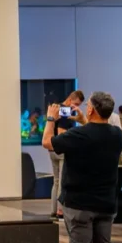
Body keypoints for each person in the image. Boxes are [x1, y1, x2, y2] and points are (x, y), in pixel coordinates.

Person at [43, 91, 122, 243]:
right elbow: (97, 134)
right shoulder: (116, 135)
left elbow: (48, 142)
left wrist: (51, 119)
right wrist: (83, 121)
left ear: (91, 109)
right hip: (105, 203)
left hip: (79, 204)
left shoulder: (79, 134)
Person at [48, 90, 85, 221]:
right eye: (75, 104)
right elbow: (62, 132)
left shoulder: (56, 108)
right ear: (70, 100)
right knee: (62, 181)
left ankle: (53, 210)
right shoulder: (65, 111)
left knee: (56, 180)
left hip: (52, 148)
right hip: (62, 148)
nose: (76, 107)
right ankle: (60, 211)